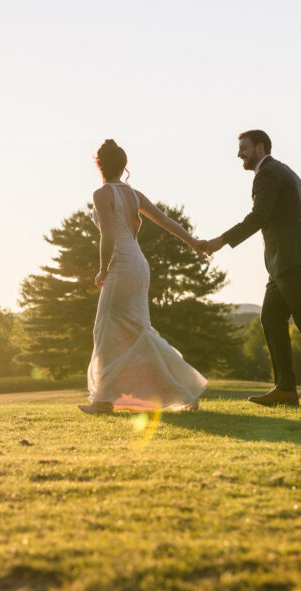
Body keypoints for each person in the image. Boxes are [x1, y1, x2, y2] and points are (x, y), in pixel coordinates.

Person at [200, 130, 301, 407]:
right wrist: (295, 237)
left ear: (260, 148)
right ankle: (285, 389)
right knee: (272, 319)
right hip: (286, 259)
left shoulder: (267, 174)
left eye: (244, 148)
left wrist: (219, 242)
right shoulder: (286, 172)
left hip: (291, 259)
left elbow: (258, 217)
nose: (240, 154)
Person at [78, 139, 209, 415]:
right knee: (137, 330)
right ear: (124, 166)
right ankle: (174, 391)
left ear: (99, 166)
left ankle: (104, 400)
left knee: (106, 328)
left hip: (121, 265)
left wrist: (103, 268)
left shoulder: (102, 194)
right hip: (139, 265)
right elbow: (165, 220)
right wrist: (192, 241)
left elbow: (108, 235)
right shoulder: (134, 194)